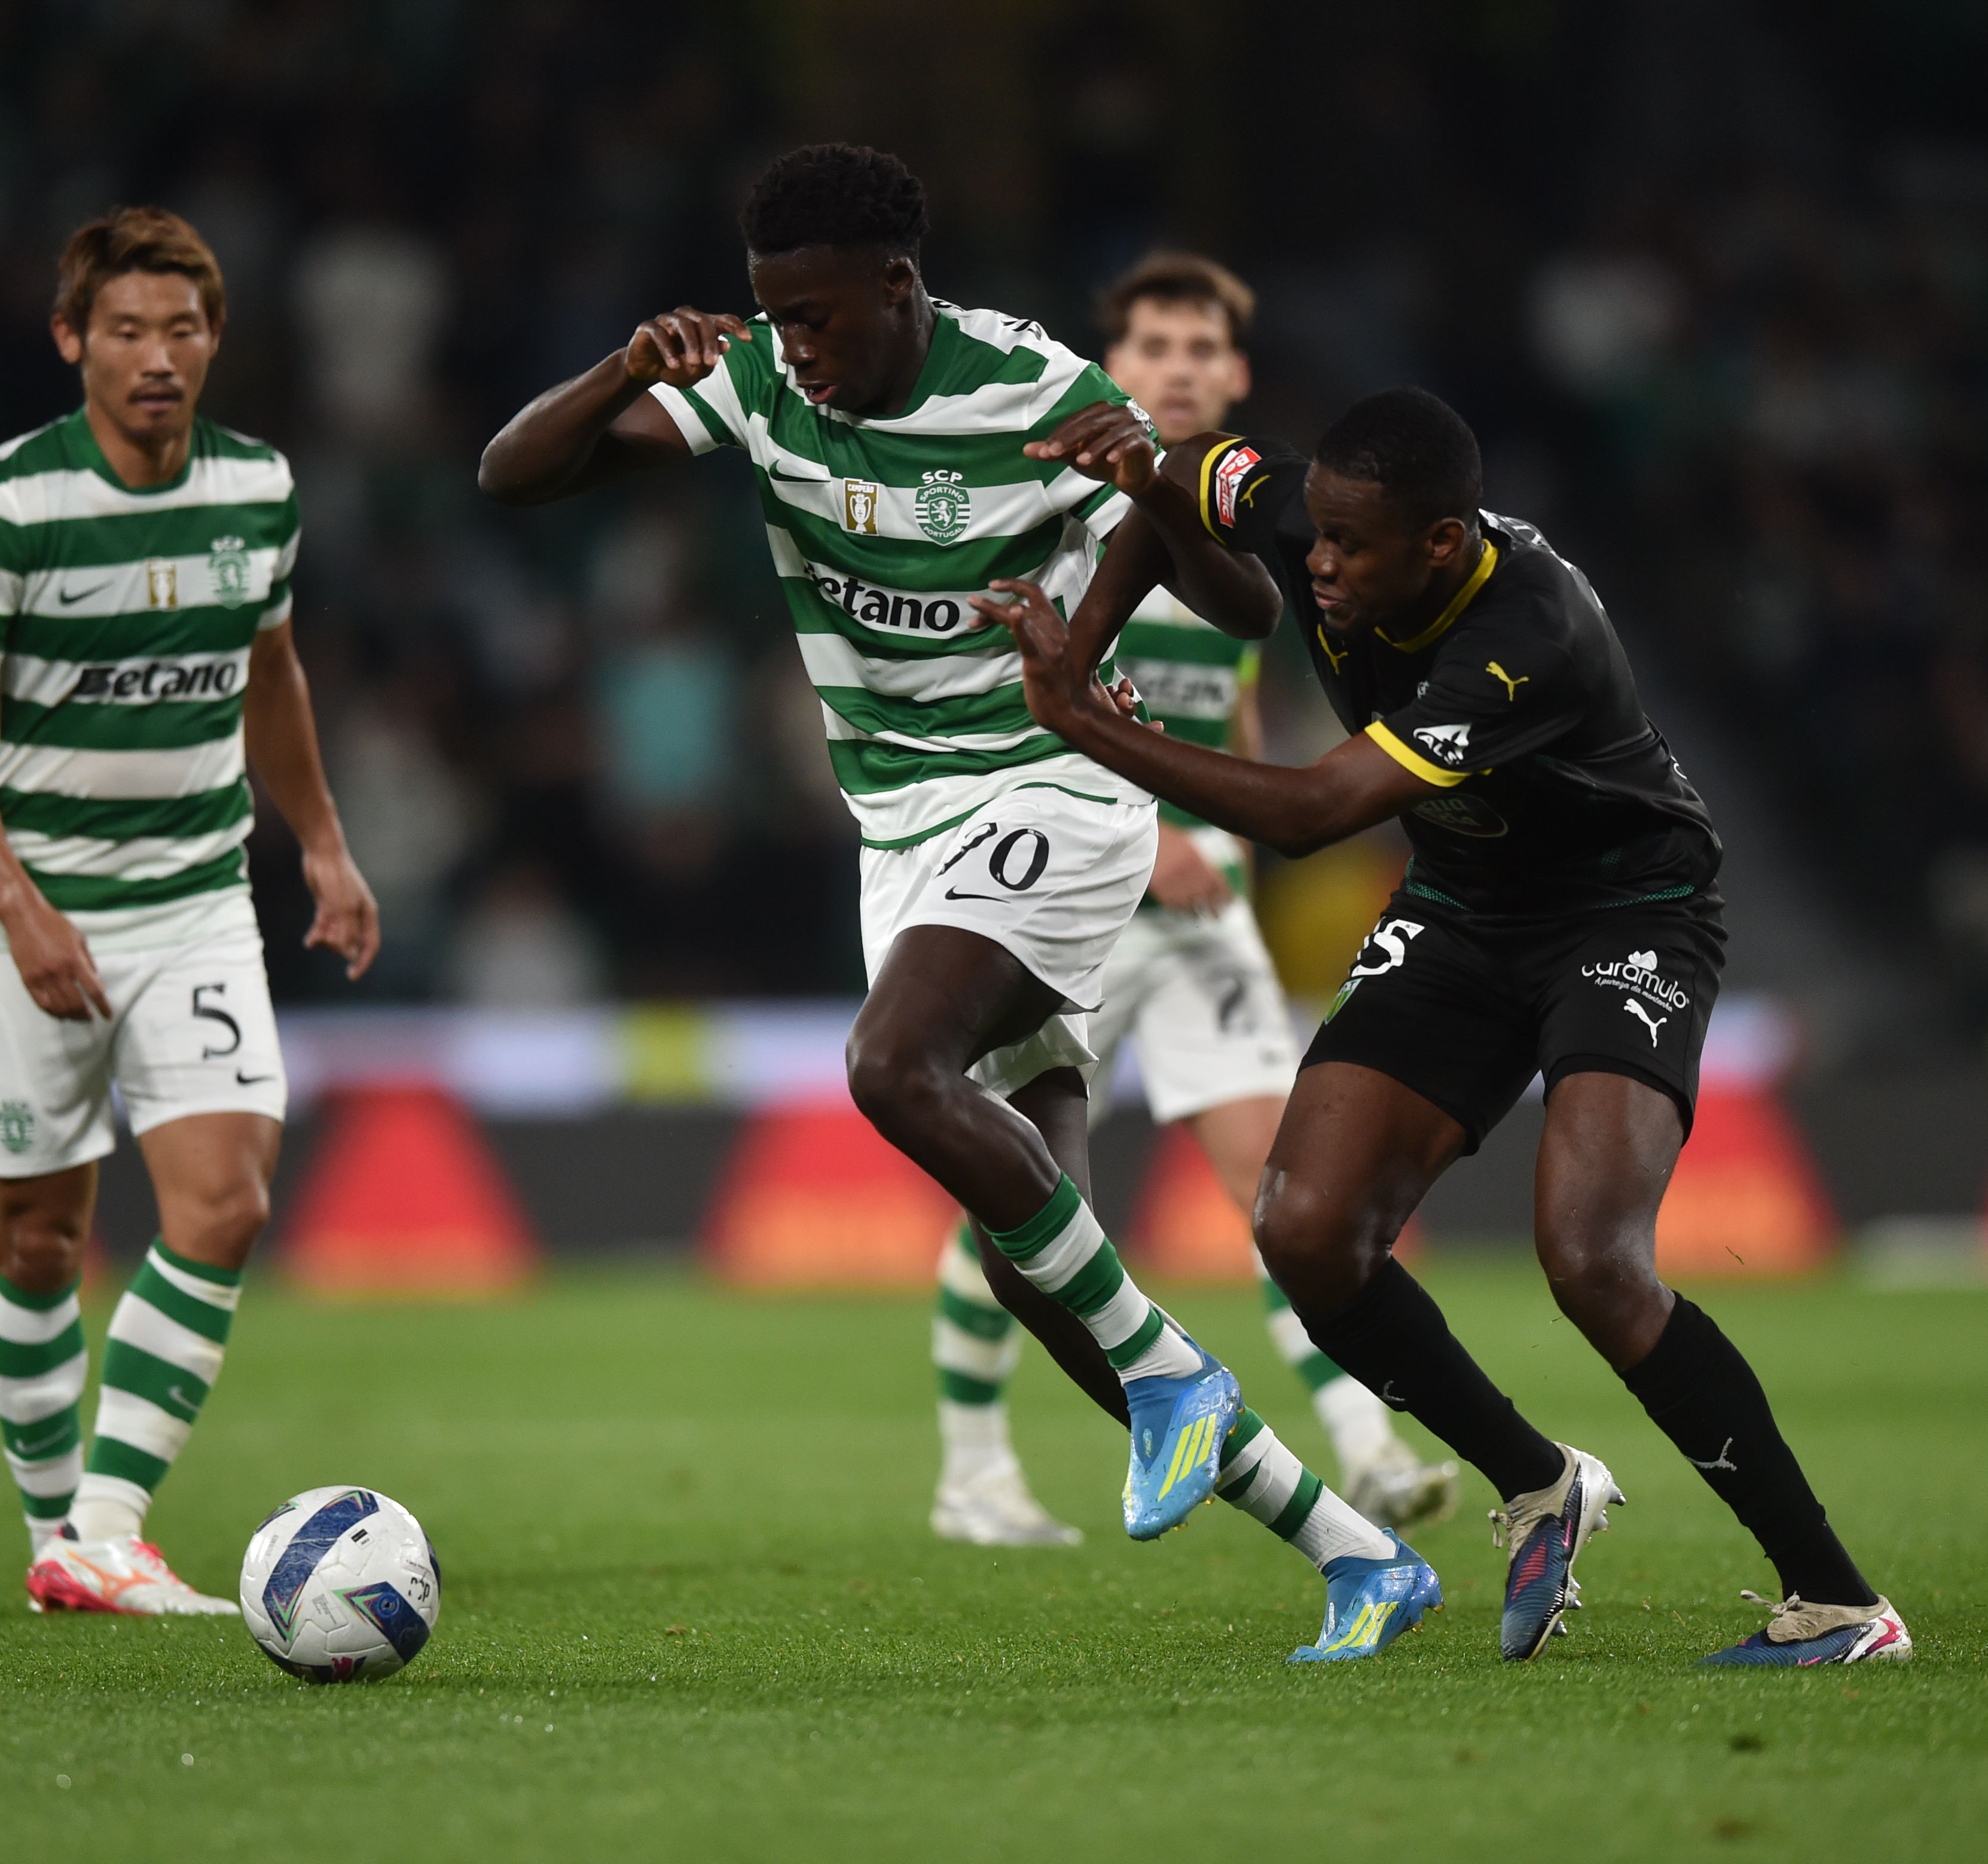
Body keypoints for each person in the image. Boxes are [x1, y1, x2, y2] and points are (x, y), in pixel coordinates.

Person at [478, 145, 1436, 1662]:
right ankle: (1353, 1551)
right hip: (903, 834)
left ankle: (1178, 1390)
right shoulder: (763, 386)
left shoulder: (1031, 388)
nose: (795, 346)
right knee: (1034, 1255)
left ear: (899, 287)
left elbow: (1250, 605)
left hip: (1055, 791)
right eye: (771, 316)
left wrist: (1150, 491)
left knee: (887, 1065)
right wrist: (619, 367)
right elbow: (510, 476)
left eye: (818, 316)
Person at [981, 386, 1911, 1666]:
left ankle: (1840, 1602)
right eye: (1315, 534)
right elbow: (1174, 475)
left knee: (1590, 1257)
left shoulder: (1528, 633)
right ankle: (1538, 1481)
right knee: (1306, 1229)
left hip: (1622, 909)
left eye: (1349, 549)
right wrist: (1088, 627)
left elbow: (1314, 812)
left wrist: (1081, 722)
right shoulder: (1312, 504)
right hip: (1466, 907)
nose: (1317, 562)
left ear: (1439, 543)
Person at [926, 251, 1453, 1548]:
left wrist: (1239, 826)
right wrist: (1153, 823)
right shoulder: (1053, 496)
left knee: (1278, 1181)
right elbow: (1011, 692)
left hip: (1200, 906)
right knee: (1030, 1191)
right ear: (1113, 366)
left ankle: (1371, 1448)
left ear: (1235, 374)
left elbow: (1233, 707)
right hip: (1066, 893)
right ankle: (974, 1465)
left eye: (1197, 346)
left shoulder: (1257, 524)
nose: (1174, 365)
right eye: (1151, 344)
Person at [0, 208, 380, 1615]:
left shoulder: (257, 488)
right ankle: (60, 1538)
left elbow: (271, 673)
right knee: (39, 1241)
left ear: (215, 341)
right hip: (36, 916)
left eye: (182, 329)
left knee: (225, 1203)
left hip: (196, 903)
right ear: (72, 343)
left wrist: (326, 847)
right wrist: (17, 900)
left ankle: (107, 1524)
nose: (157, 356)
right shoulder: (11, 501)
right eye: (125, 331)